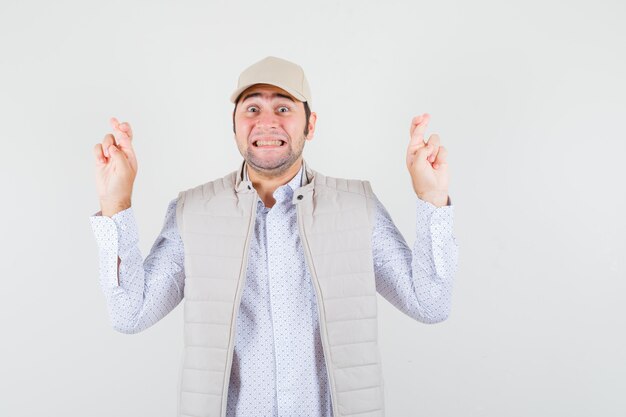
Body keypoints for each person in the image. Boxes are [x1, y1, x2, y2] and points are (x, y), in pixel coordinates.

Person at [90, 56, 458, 417]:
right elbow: (130, 313)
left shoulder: (357, 206)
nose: (266, 122)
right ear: (233, 125)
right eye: (252, 109)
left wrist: (432, 199)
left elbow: (430, 304)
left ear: (310, 125)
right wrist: (115, 202)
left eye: (283, 109)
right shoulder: (194, 211)